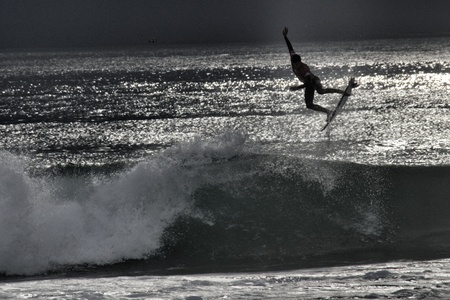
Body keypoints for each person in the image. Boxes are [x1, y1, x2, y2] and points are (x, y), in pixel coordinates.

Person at [282, 27, 357, 120]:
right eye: (296, 64)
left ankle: (342, 92)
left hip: (313, 81)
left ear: (300, 62)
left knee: (321, 91)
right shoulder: (293, 58)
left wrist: (297, 88)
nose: (297, 65)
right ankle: (328, 112)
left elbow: (307, 83)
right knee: (309, 105)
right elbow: (290, 48)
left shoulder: (304, 69)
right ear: (293, 62)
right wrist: (285, 36)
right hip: (309, 83)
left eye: (298, 63)